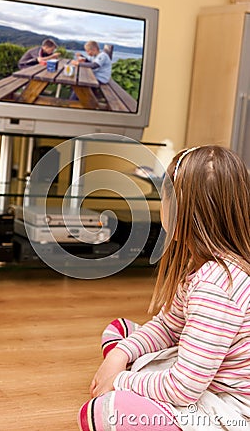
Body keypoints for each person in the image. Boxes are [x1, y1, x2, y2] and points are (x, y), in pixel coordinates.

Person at [78, 145, 250, 431]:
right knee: (119, 333)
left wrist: (119, 380)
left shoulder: (215, 288)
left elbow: (185, 388)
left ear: (182, 210)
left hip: (229, 407)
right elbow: (170, 327)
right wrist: (121, 355)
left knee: (103, 413)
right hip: (204, 377)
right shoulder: (204, 265)